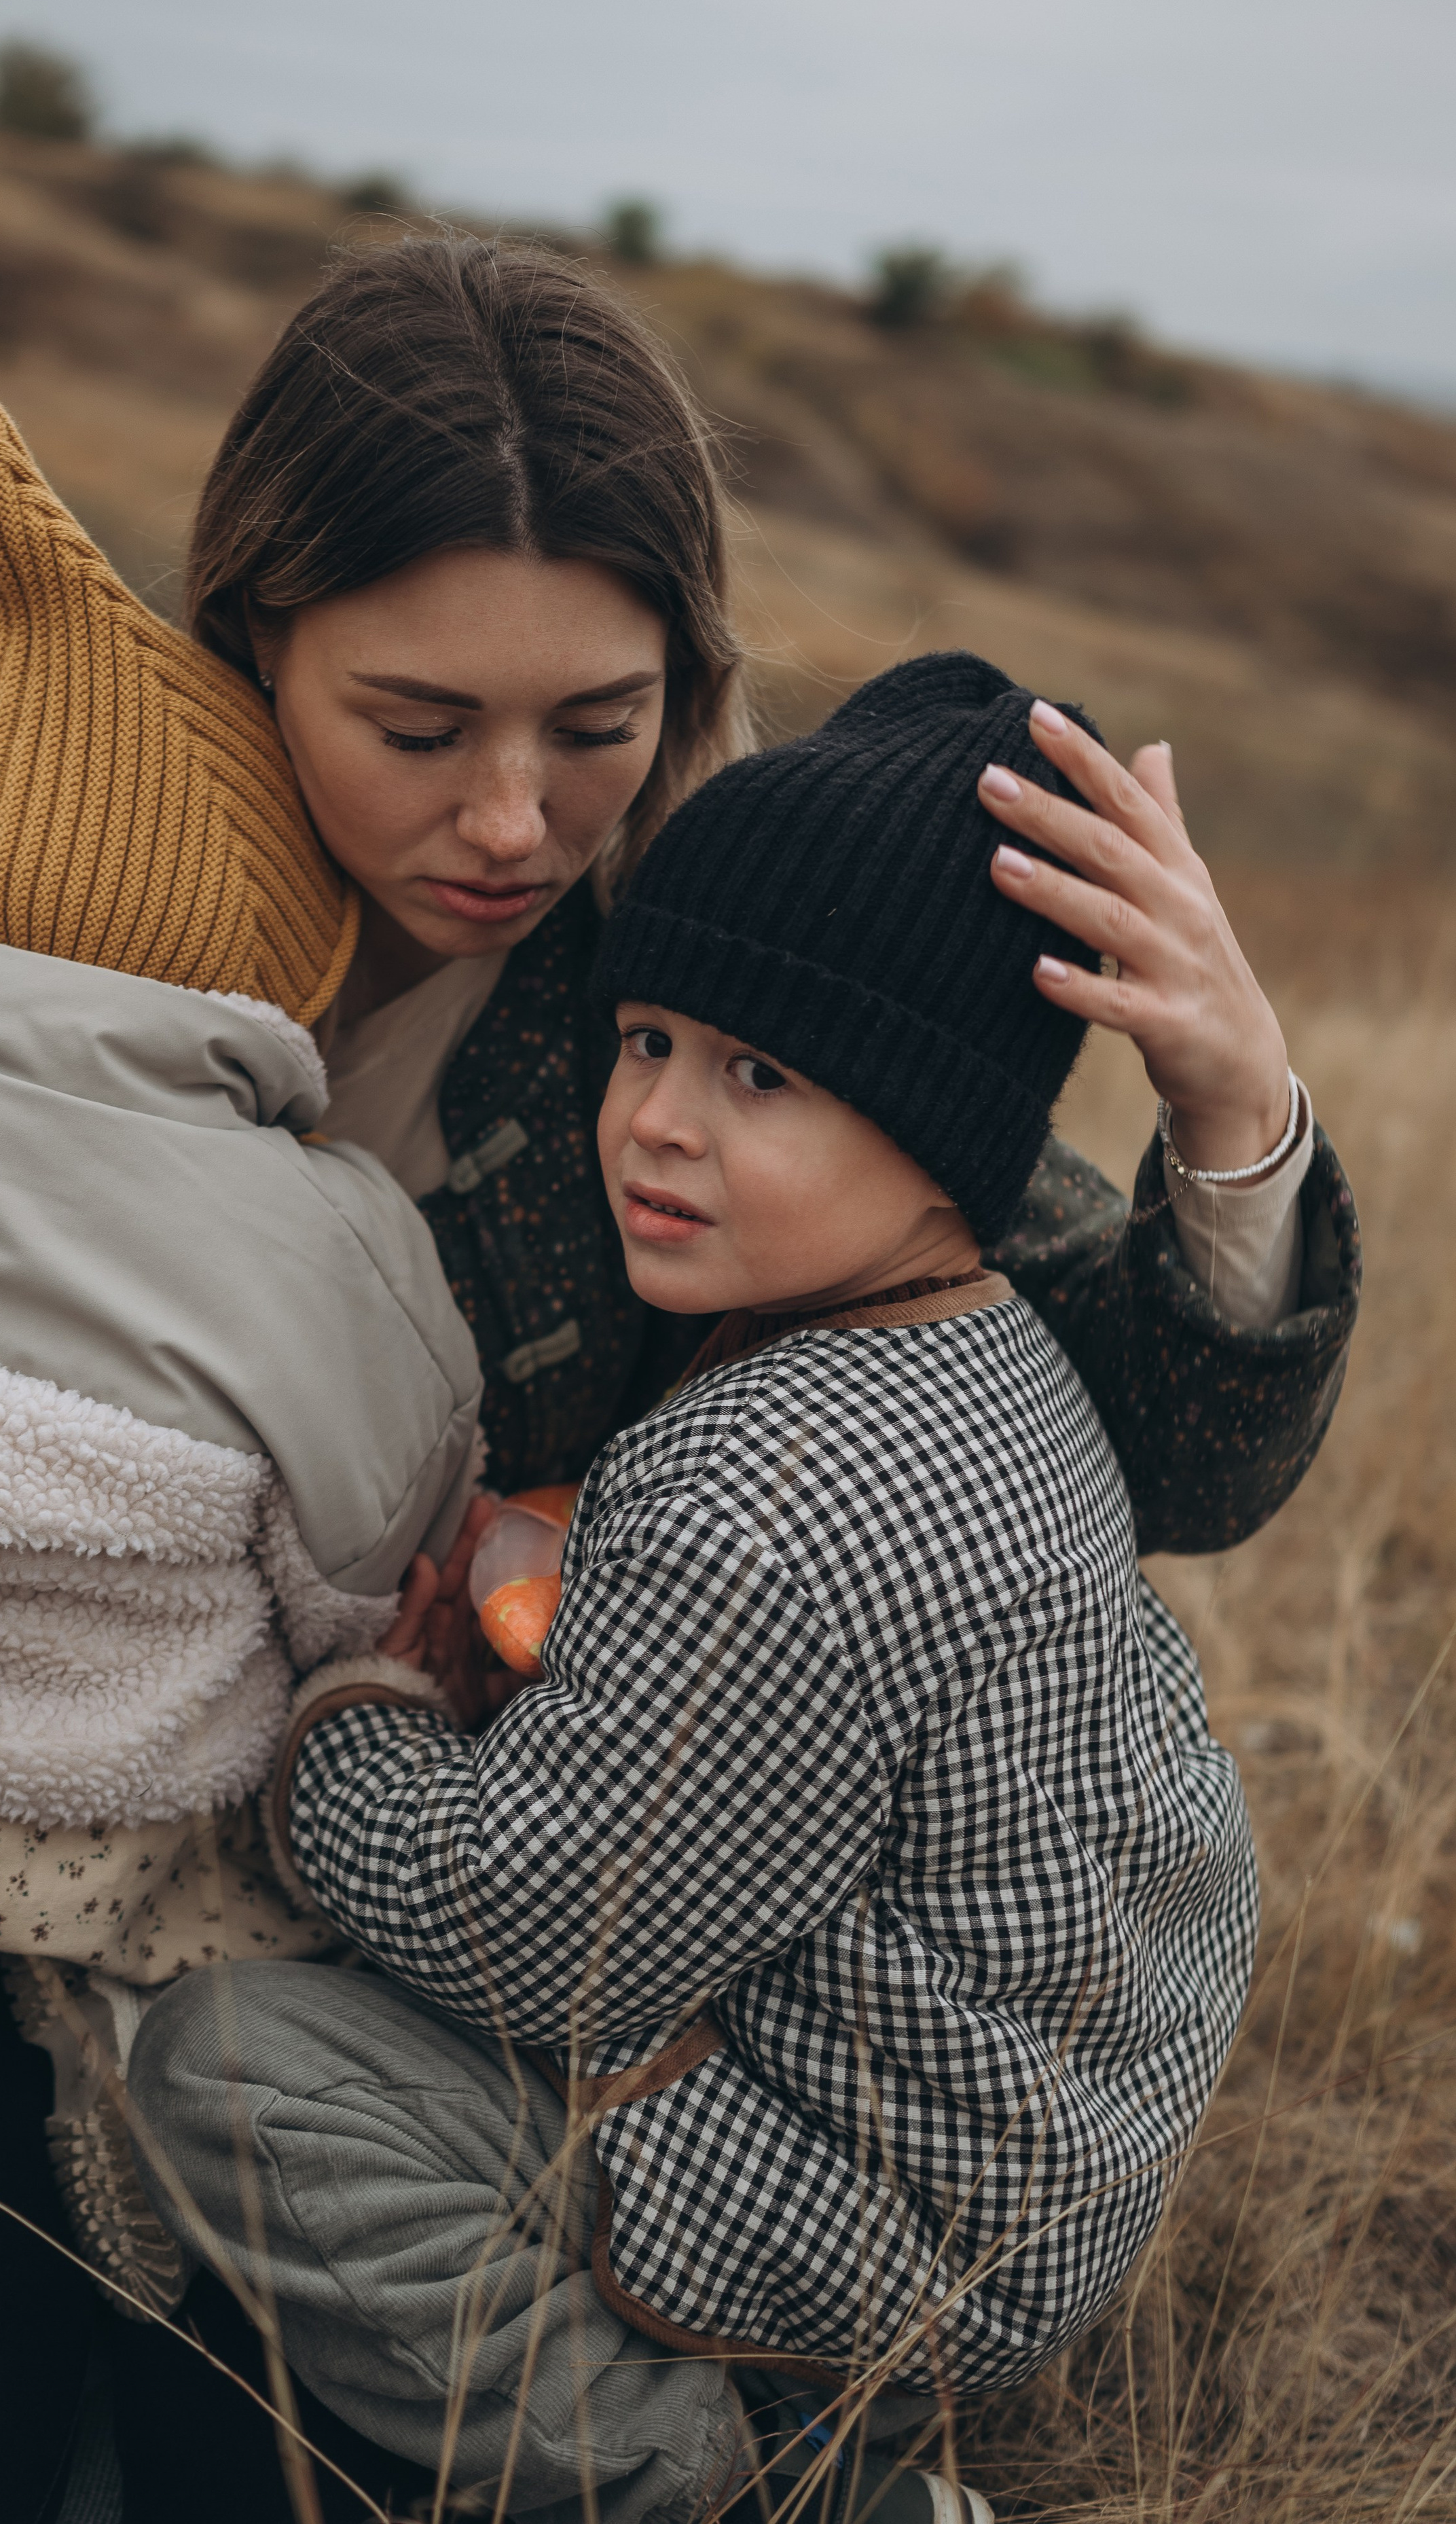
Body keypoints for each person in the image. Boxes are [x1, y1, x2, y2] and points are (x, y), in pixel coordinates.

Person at [0, 240, 1358, 2521]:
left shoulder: (694, 985)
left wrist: (1235, 1117)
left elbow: (1152, 1439)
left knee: (273, 2468)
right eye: (420, 729)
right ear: (252, 638)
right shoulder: (13, 923)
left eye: (597, 726)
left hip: (437, 1996)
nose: (515, 818)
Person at [131, 653, 1261, 2524]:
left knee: (238, 2069)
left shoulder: (766, 1501)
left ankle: (743, 2475)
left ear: (944, 1129)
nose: (657, 1115)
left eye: (759, 1074)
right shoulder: (990, 1358)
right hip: (1030, 2151)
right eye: (648, 1038)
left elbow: (535, 1935)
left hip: (881, 2207)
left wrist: (356, 1731)